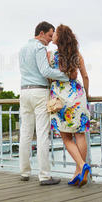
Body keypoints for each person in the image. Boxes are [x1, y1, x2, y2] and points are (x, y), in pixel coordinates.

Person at [18, 21, 74, 185]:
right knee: (42, 134)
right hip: (39, 91)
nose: (50, 40)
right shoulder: (40, 48)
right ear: (41, 33)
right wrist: (66, 76)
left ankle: (24, 172)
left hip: (24, 91)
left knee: (26, 133)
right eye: (50, 35)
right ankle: (44, 175)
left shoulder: (22, 49)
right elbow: (45, 71)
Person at [48, 24, 91, 187]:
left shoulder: (51, 56)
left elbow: (48, 76)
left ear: (60, 37)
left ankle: (81, 166)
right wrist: (86, 95)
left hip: (61, 99)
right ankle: (79, 172)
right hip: (78, 96)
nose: (53, 36)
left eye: (55, 33)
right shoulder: (77, 54)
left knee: (66, 137)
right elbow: (85, 77)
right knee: (80, 134)